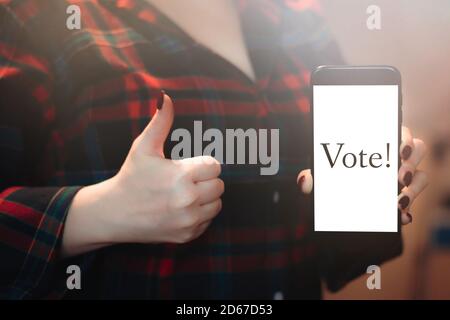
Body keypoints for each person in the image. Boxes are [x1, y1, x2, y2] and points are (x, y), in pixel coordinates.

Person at [0, 0, 427, 299]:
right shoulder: (39, 16)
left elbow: (335, 258)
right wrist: (101, 211)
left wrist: (368, 194)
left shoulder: (300, 20)